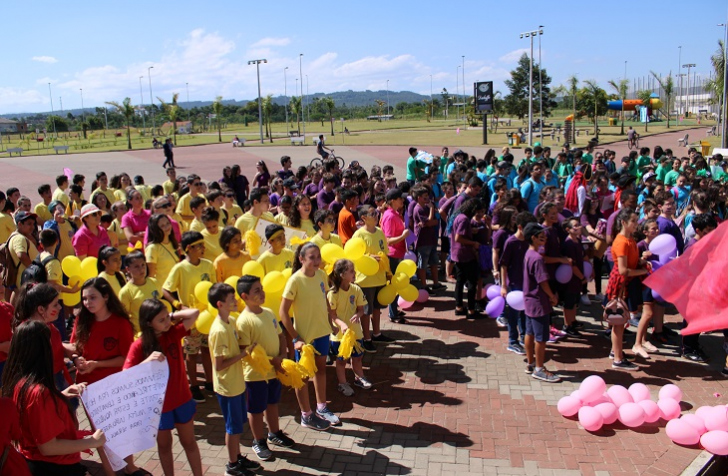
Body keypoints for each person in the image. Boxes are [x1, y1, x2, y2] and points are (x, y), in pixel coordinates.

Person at [2, 320, 106, 476]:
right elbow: (48, 447)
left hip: (35, 462)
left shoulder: (18, 382)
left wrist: (60, 395)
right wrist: (92, 441)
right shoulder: (39, 392)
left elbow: (32, 414)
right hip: (54, 467)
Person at [123, 300, 202, 476]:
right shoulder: (139, 345)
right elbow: (126, 376)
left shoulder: (172, 333)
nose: (167, 322)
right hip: (158, 407)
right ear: (148, 323)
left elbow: (194, 313)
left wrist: (171, 316)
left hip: (182, 399)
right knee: (164, 446)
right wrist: (146, 362)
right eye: (161, 320)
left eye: (167, 317)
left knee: (189, 442)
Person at [280, 242, 339, 430]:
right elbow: (283, 313)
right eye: (311, 257)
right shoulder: (295, 280)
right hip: (304, 339)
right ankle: (306, 415)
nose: (316, 261)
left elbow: (325, 302)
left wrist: (331, 322)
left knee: (321, 370)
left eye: (318, 257)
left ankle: (322, 407)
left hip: (322, 333)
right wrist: (296, 338)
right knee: (302, 377)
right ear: (301, 259)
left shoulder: (322, 275)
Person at [235, 276, 294, 461]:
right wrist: (273, 360)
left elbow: (281, 335)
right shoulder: (244, 321)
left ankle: (274, 433)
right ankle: (258, 440)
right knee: (256, 409)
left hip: (274, 369)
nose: (262, 293)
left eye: (262, 288)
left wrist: (283, 357)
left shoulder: (268, 312)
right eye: (257, 291)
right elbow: (246, 351)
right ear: (244, 296)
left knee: (272, 403)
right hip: (255, 375)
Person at [207, 283, 261, 476]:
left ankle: (237, 458)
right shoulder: (219, 330)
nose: (235, 301)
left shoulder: (230, 321)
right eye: (231, 299)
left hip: (236, 384)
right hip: (227, 387)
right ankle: (232, 465)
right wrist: (244, 354)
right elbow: (219, 365)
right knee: (232, 427)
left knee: (238, 425)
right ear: (220, 304)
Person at [163, 231, 216, 403]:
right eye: (198, 245)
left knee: (207, 350)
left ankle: (210, 381)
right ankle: (193, 385)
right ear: (188, 248)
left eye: (202, 244)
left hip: (207, 317)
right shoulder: (180, 268)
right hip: (190, 320)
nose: (202, 248)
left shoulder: (208, 265)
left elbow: (213, 287)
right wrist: (178, 305)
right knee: (192, 353)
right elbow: (166, 289)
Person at [606, 208, 646, 371]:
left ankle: (615, 351)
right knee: (618, 322)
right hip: (621, 285)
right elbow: (623, 270)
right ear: (623, 222)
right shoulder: (621, 241)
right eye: (633, 221)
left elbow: (630, 263)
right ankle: (618, 359)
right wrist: (643, 271)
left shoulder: (630, 239)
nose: (636, 224)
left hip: (627, 283)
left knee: (622, 321)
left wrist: (642, 262)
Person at [522, 222, 561, 382]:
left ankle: (530, 362)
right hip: (538, 302)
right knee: (541, 337)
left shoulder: (528, 253)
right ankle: (539, 368)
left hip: (529, 300)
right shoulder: (537, 258)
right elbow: (543, 281)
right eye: (541, 235)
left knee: (529, 333)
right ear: (533, 238)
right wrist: (552, 296)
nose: (544, 237)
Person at [352, 205, 393, 352]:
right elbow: (353, 256)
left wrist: (388, 272)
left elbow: (385, 253)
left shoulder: (380, 232)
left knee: (377, 308)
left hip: (379, 277)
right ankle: (366, 338)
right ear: (363, 218)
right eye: (372, 214)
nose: (376, 215)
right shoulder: (359, 235)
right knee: (366, 310)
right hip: (365, 279)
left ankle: (376, 333)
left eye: (376, 213)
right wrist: (368, 258)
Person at [328, 259, 372, 396]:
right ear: (342, 274)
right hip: (340, 335)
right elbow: (332, 315)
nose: (354, 273)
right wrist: (342, 324)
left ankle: (359, 378)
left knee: (358, 357)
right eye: (351, 271)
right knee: (342, 360)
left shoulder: (356, 289)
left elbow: (361, 309)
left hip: (355, 332)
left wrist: (358, 315)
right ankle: (342, 383)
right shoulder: (332, 294)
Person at [451, 198, 486, 319]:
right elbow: (458, 238)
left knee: (460, 281)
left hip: (457, 253)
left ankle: (459, 307)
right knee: (471, 282)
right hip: (465, 254)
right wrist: (473, 243)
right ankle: (471, 309)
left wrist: (471, 230)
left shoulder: (459, 216)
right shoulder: (465, 219)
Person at [380, 188, 409, 323]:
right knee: (393, 284)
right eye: (400, 199)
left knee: (395, 284)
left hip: (398, 253)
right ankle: (393, 313)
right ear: (393, 201)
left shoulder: (393, 213)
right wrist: (403, 236)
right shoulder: (390, 216)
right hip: (393, 254)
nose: (402, 200)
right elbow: (389, 240)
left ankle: (394, 310)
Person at [119, 250, 162, 333]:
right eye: (136, 266)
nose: (141, 269)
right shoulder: (125, 292)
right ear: (128, 269)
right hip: (140, 333)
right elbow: (124, 317)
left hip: (158, 330)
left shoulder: (154, 282)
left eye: (143, 265)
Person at [412, 186, 444, 293]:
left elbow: (434, 221)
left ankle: (436, 283)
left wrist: (430, 221)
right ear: (419, 198)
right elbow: (429, 221)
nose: (428, 198)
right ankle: (424, 285)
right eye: (425, 196)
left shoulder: (426, 207)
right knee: (423, 264)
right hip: (423, 241)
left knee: (434, 262)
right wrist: (431, 211)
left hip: (431, 239)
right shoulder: (418, 209)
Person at [145, 213, 181, 286]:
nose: (167, 227)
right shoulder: (152, 248)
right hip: (162, 289)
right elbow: (150, 276)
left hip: (176, 286)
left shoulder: (173, 243)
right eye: (162, 226)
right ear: (156, 230)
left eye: (168, 223)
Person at [9, 211, 40, 291]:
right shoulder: (19, 238)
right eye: (29, 224)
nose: (32, 227)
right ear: (19, 224)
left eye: (33, 224)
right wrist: (35, 272)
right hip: (26, 281)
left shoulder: (20, 236)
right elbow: (21, 255)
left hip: (25, 280)